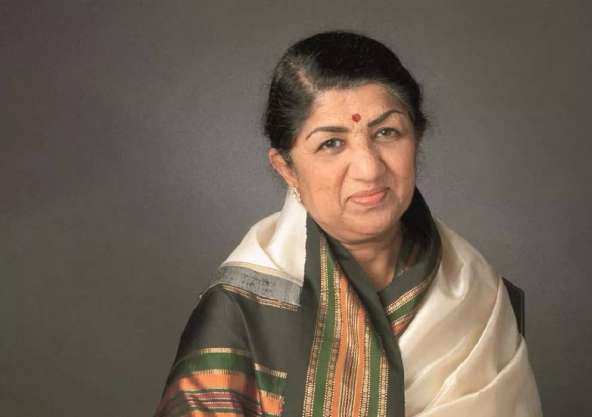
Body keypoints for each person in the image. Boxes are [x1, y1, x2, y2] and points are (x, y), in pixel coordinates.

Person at [154, 31, 542, 417]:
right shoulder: (243, 307)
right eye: (332, 144)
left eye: (386, 133)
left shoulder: (475, 293)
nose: (369, 169)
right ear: (286, 168)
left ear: (417, 137)